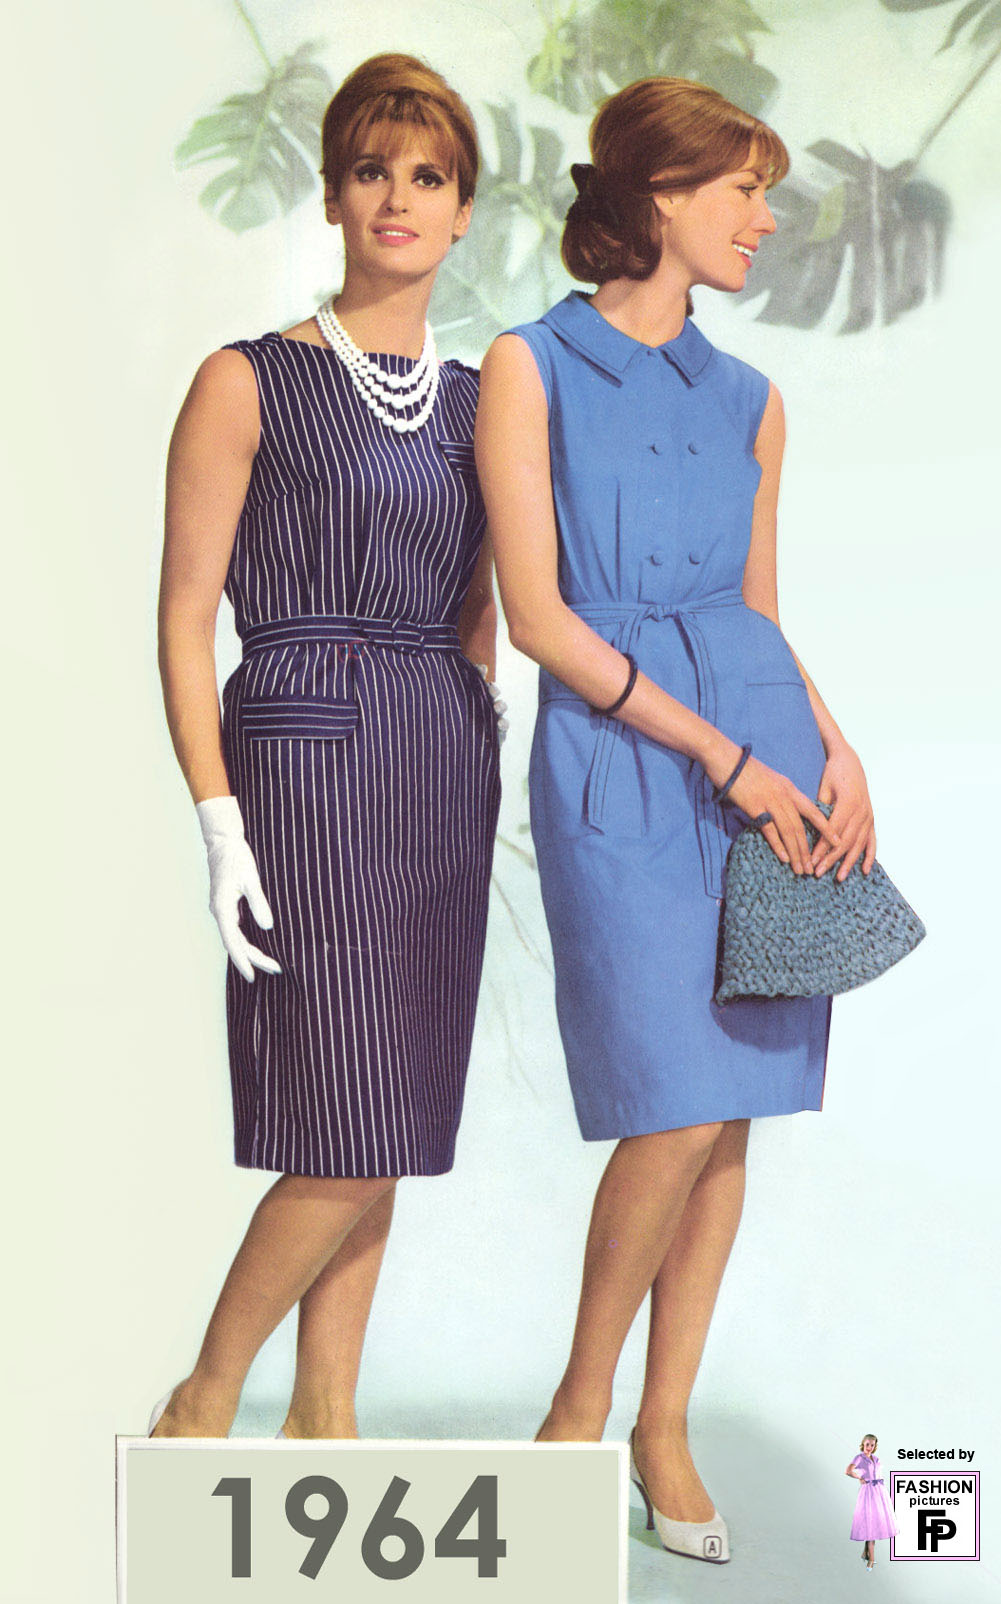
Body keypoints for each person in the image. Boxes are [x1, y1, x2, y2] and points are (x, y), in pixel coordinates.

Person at [475, 76, 874, 1563]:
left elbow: (757, 609)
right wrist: (724, 755)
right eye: (740, 190)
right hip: (624, 761)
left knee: (731, 1112)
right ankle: (574, 1420)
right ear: (656, 197)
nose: (765, 219)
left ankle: (664, 1425)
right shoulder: (529, 365)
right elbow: (539, 619)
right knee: (673, 1104)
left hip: (767, 749)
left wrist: (835, 746)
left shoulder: (755, 401)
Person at [152, 52, 502, 1439]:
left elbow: (480, 610)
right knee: (344, 1105)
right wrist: (219, 820)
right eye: (372, 170)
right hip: (304, 755)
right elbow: (185, 617)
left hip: (438, 762)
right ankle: (207, 1391)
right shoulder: (244, 381)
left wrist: (475, 739)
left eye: (427, 176)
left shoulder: (479, 403)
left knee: (394, 1103)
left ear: (463, 210)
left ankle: (327, 1412)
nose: (398, 197)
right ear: (334, 195)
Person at [846, 1435, 898, 1567]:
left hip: (879, 1491)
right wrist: (859, 1478)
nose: (869, 1447)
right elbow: (848, 1471)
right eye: (867, 1444)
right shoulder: (859, 1458)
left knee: (875, 1522)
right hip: (868, 1492)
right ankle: (871, 1559)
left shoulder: (876, 1459)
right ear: (863, 1444)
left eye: (872, 1445)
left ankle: (865, 1553)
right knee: (870, 1522)